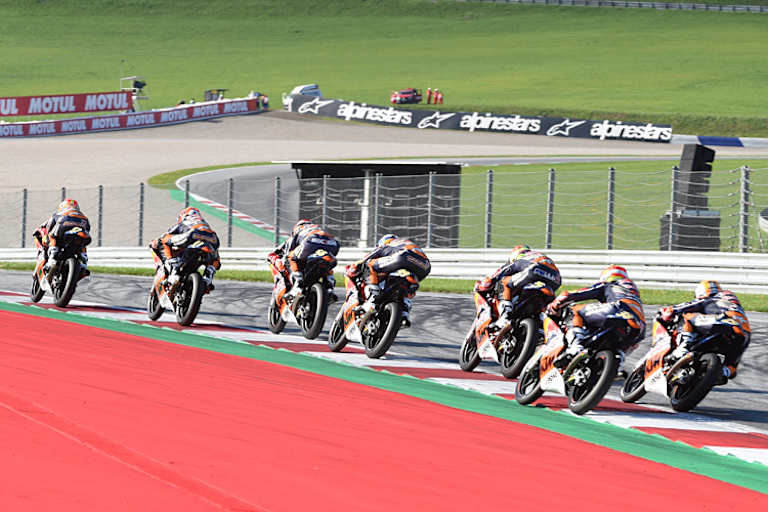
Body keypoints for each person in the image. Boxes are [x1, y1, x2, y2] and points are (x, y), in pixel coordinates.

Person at [658, 280, 750, 383]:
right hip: (744, 333)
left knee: (687, 316)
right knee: (731, 366)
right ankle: (724, 372)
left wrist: (670, 311)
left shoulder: (711, 298)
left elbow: (690, 305)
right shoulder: (732, 303)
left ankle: (683, 348)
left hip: (722, 321)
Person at [547, 264, 645, 359]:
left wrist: (556, 304)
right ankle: (616, 367)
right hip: (640, 326)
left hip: (617, 309)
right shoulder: (634, 295)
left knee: (575, 310)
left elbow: (574, 294)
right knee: (618, 352)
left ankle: (575, 347)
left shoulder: (610, 285)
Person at [345, 234, 431, 328]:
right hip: (424, 266)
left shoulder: (387, 244)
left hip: (403, 257)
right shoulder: (405, 243)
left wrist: (354, 267)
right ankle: (404, 313)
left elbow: (367, 258)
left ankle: (373, 295)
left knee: (369, 264)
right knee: (408, 286)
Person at [474, 245, 561, 332]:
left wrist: (486, 283)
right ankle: (544, 325)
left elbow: (501, 272)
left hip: (534, 270)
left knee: (504, 282)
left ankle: (505, 317)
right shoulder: (537, 255)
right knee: (548, 304)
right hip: (555, 279)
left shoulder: (521, 257)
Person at [150, 206, 221, 291]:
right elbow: (218, 264)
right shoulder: (204, 223)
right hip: (213, 238)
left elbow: (167, 234)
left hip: (192, 234)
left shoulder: (184, 222)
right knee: (215, 260)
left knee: (163, 240)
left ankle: (173, 268)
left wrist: (154, 242)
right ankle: (208, 278)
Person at [268, 219, 339, 302]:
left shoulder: (298, 232)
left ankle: (298, 285)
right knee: (326, 262)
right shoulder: (316, 228)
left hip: (311, 241)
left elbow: (288, 252)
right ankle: (330, 289)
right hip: (333, 243)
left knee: (291, 257)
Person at [33, 198, 92, 279]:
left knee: (51, 236)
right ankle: (84, 262)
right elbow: (87, 229)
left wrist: (41, 231)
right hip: (81, 228)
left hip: (63, 228)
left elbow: (49, 226)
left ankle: (52, 259)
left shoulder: (59, 214)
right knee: (82, 243)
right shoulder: (84, 216)